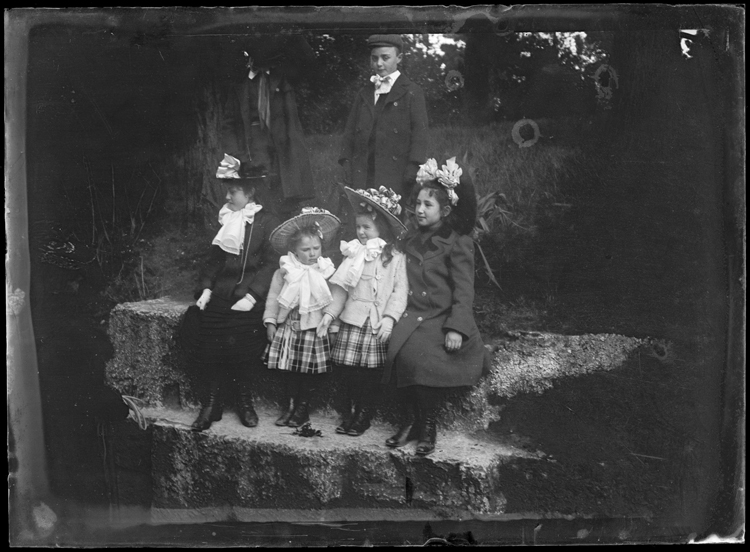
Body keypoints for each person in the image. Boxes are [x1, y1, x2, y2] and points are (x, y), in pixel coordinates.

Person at [383, 157, 485, 456]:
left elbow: (464, 292)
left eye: (428, 205)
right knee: (402, 352)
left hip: (441, 317)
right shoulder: (409, 239)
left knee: (422, 358)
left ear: (446, 210)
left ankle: (426, 424)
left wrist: (457, 327)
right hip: (413, 313)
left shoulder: (457, 242)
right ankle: (411, 420)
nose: (420, 210)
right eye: (417, 204)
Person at [191, 154, 281, 432]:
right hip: (223, 291)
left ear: (250, 192)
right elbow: (214, 260)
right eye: (228, 191)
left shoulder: (266, 221)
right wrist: (206, 288)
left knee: (242, 335)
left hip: (249, 295)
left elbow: (270, 264)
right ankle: (213, 401)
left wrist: (253, 295)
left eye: (233, 191)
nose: (228, 196)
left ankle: (244, 399)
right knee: (209, 329)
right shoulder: (227, 218)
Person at [318, 186, 409, 437]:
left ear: (382, 229)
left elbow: (399, 293)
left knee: (370, 375)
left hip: (375, 325)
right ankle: (349, 412)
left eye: (367, 227)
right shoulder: (353, 253)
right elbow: (340, 290)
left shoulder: (396, 258)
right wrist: (330, 315)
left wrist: (389, 320)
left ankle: (364, 415)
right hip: (352, 321)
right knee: (349, 373)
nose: (361, 232)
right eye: (358, 227)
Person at [219, 33, 317, 219]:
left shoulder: (283, 80)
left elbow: (309, 60)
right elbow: (229, 124)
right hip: (253, 148)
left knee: (284, 199)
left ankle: (283, 234)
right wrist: (237, 155)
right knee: (258, 200)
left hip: (281, 148)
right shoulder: (240, 85)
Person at [263, 207, 341, 427]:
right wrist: (270, 322)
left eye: (316, 248)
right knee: (289, 369)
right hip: (290, 326)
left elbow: (333, 301)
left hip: (314, 328)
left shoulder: (326, 270)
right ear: (294, 250)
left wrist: (333, 327)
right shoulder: (285, 270)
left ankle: (303, 408)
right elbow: (273, 297)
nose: (312, 253)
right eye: (305, 249)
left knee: (308, 372)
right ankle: (289, 406)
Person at [338, 34, 429, 203]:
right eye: (374, 58)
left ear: (399, 58)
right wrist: (346, 161)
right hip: (364, 170)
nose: (379, 64)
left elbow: (420, 134)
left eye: (385, 58)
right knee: (363, 217)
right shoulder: (365, 92)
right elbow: (350, 131)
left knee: (389, 216)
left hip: (395, 172)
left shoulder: (412, 91)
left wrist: (413, 166)